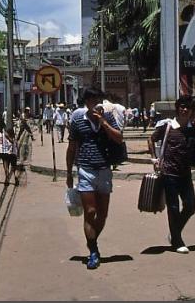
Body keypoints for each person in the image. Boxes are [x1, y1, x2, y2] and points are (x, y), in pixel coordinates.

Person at [147, 95, 195, 254]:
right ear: (177, 108)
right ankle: (177, 241)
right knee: (173, 207)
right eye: (182, 107)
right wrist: (154, 159)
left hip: (185, 173)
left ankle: (174, 233)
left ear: (192, 111)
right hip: (169, 173)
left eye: (188, 108)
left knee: (190, 206)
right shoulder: (168, 126)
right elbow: (151, 139)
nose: (184, 110)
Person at [65, 87, 123, 270]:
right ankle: (93, 250)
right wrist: (68, 171)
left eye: (97, 99)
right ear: (86, 102)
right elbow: (72, 147)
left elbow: (119, 138)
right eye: (90, 100)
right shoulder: (77, 121)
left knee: (102, 214)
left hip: (104, 169)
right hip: (86, 170)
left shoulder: (108, 117)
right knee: (90, 211)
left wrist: (104, 122)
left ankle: (92, 241)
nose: (94, 103)